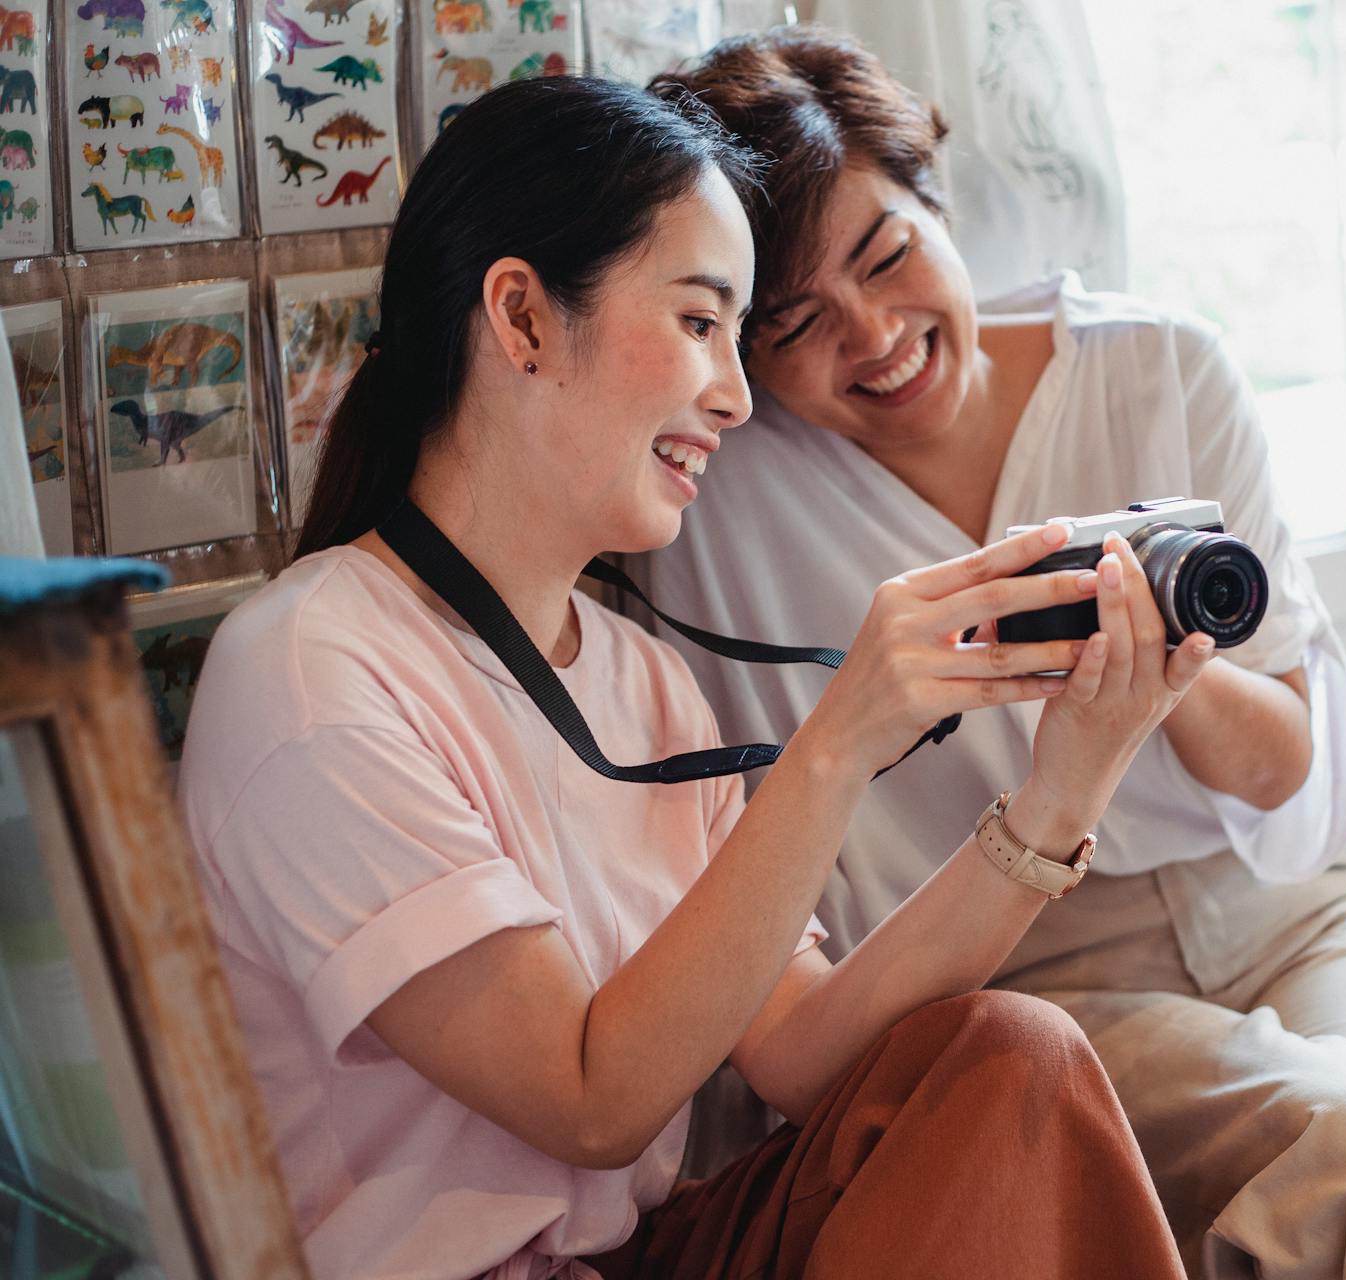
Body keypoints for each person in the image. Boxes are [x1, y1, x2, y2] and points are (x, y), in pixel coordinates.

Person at [175, 77, 1196, 1280]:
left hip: (643, 1254)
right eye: (703, 323)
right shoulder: (312, 669)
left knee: (1011, 1054)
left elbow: (805, 1053)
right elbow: (589, 1099)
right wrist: (835, 745)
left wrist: (1062, 791)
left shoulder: (641, 679)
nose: (737, 394)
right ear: (521, 317)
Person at [643, 30, 1346, 1280]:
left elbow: (1286, 766)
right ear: (744, 348)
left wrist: (1163, 677)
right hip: (1035, 957)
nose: (872, 337)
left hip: (1290, 907)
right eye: (797, 320)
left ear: (938, 201)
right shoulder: (721, 505)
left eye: (890, 255)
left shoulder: (1160, 369)